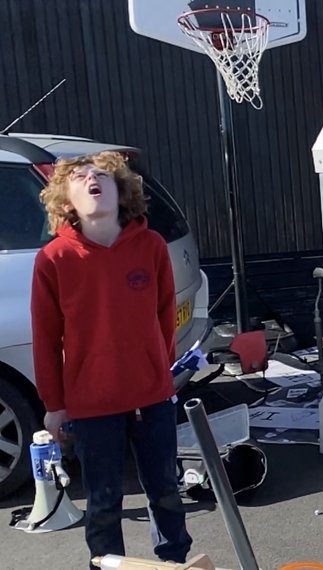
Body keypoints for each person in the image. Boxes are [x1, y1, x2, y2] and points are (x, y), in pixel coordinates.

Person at [31, 151, 192, 568]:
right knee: (103, 502)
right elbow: (45, 338)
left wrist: (158, 373)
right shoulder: (54, 259)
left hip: (151, 398)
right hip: (90, 405)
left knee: (165, 494)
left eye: (100, 174)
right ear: (66, 201)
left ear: (121, 192)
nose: (91, 180)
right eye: (80, 177)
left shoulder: (151, 246)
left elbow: (164, 318)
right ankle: (106, 564)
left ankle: (174, 563)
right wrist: (54, 406)